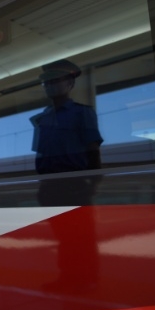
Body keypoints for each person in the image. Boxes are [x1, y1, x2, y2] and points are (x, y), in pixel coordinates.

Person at [30, 59, 103, 293]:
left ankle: (85, 281)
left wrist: (93, 182)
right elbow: (40, 153)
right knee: (65, 237)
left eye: (56, 80)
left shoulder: (82, 113)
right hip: (49, 185)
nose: (50, 85)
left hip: (73, 183)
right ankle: (68, 278)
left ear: (70, 83)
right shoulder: (42, 118)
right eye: (47, 82)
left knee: (79, 237)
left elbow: (93, 150)